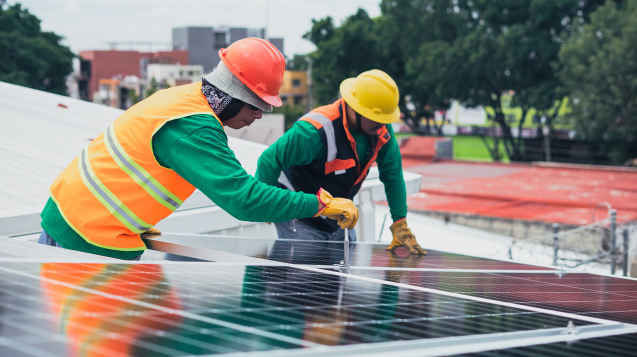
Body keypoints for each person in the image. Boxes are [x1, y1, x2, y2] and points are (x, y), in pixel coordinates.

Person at [38, 38, 358, 260]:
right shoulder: (193, 127)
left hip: (82, 220)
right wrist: (318, 204)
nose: (260, 115)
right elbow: (243, 200)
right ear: (234, 92)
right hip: (84, 236)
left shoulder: (185, 98)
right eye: (257, 105)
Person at [255, 69, 426, 255]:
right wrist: (266, 206)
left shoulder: (381, 132)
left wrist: (399, 222)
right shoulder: (314, 131)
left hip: (340, 216)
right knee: (305, 275)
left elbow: (392, 175)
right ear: (355, 109)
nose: (382, 125)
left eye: (385, 120)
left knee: (339, 275)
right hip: (301, 217)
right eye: (377, 119)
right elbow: (269, 161)